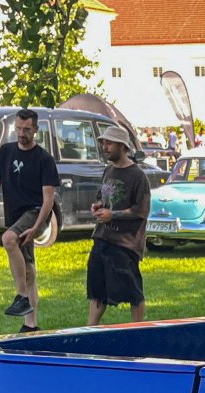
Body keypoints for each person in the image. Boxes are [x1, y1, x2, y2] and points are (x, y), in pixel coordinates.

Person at [0, 108, 58, 332]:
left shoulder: (43, 159)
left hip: (35, 213)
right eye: (19, 129)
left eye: (27, 130)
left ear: (36, 129)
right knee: (30, 270)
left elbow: (48, 199)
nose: (22, 133)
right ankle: (30, 325)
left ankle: (22, 296)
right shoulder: (6, 152)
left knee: (8, 239)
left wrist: (36, 227)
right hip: (14, 216)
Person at [87, 124, 150, 326]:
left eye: (109, 143)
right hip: (102, 238)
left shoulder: (138, 176)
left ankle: (138, 331)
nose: (105, 147)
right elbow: (103, 197)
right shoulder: (108, 170)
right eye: (103, 143)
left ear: (122, 146)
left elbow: (141, 210)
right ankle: (89, 331)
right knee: (96, 290)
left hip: (125, 243)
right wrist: (98, 206)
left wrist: (112, 214)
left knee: (133, 291)